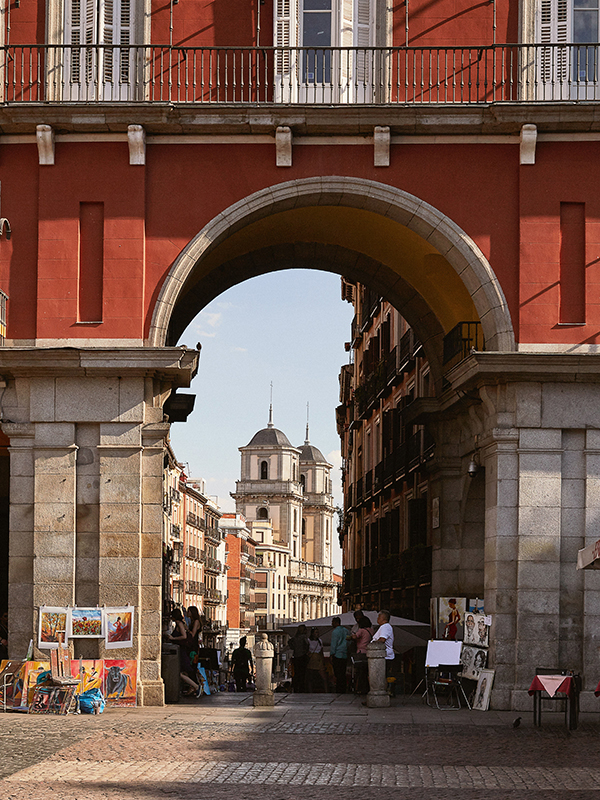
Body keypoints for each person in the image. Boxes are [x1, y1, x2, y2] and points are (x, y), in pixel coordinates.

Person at [168, 608, 199, 696]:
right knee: (183, 671)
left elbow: (185, 636)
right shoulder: (183, 623)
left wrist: (172, 638)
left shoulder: (179, 623)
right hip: (184, 650)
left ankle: (195, 686)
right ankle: (193, 687)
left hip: (183, 650)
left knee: (182, 671)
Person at [352, 615, 373, 694]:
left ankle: (361, 688)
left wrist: (351, 636)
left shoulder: (361, 630)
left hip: (361, 652)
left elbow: (355, 637)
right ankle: (367, 688)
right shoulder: (371, 630)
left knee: (361, 672)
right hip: (369, 652)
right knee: (367, 671)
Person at [288, 624, 309, 692]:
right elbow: (307, 645)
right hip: (302, 656)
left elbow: (290, 642)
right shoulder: (303, 637)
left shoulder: (295, 637)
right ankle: (302, 687)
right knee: (303, 673)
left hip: (296, 656)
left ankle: (296, 687)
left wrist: (294, 647)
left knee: (296, 673)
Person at [330, 617, 348, 694]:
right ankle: (343, 689)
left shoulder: (335, 632)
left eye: (332, 622)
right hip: (345, 654)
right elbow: (349, 642)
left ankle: (339, 689)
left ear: (335, 622)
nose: (331, 624)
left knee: (338, 673)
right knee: (343, 673)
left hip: (337, 654)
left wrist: (332, 654)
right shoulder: (346, 631)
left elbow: (334, 644)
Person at [375, 610, 395, 678]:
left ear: (382, 618)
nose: (377, 619)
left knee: (381, 677)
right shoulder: (383, 627)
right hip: (381, 656)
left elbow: (382, 639)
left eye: (379, 617)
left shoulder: (385, 627)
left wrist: (373, 644)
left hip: (384, 656)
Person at [306, 627, 327, 692]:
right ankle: (310, 691)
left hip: (318, 659)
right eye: (316, 632)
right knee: (310, 677)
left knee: (324, 677)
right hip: (312, 658)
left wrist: (323, 660)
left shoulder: (320, 641)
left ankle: (326, 690)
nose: (317, 634)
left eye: (318, 632)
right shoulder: (308, 641)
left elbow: (321, 651)